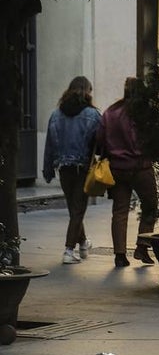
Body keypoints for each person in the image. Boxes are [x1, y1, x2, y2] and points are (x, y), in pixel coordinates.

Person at [97, 76, 158, 267]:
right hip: (141, 167)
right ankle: (142, 246)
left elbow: (100, 141)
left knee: (119, 211)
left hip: (117, 168)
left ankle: (120, 255)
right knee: (150, 206)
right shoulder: (145, 113)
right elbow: (153, 138)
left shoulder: (110, 113)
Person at [43, 75, 102, 265]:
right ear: (87, 92)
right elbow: (101, 143)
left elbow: (49, 145)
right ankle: (69, 250)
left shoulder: (56, 114)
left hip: (64, 169)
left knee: (74, 208)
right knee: (77, 209)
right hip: (83, 167)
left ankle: (83, 243)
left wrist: (48, 170)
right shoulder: (92, 115)